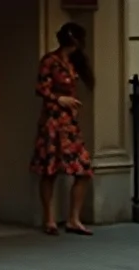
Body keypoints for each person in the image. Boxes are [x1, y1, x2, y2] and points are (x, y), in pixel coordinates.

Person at [33, 23, 95, 236]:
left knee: (83, 169)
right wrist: (60, 99)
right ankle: (49, 219)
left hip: (70, 124)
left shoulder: (74, 62)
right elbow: (41, 88)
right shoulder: (50, 61)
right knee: (49, 171)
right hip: (52, 122)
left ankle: (73, 219)